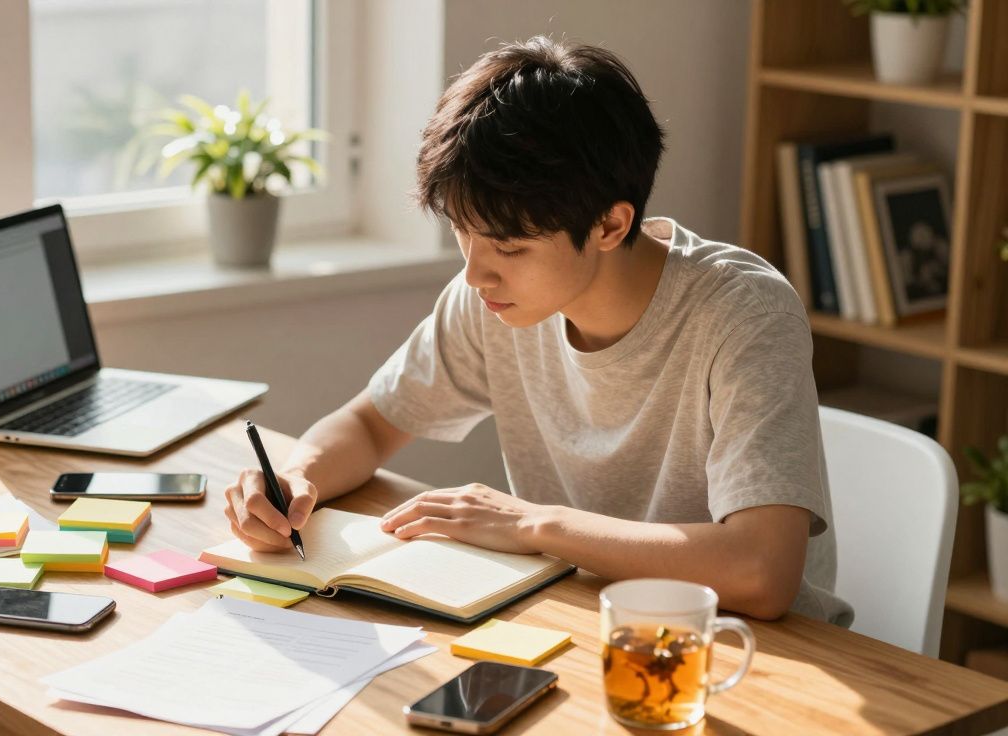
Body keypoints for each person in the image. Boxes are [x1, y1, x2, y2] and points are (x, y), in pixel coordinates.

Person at [222, 37, 850, 624]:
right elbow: (369, 423)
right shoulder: (493, 299)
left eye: (510, 247)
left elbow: (762, 571)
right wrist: (295, 479)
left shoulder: (744, 315)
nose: (475, 274)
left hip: (745, 645)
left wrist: (532, 526)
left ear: (609, 226)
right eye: (462, 233)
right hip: (584, 611)